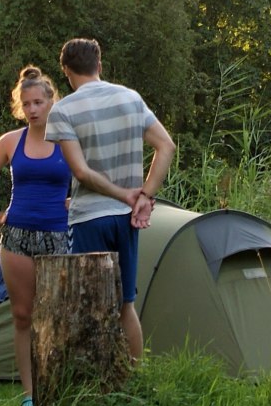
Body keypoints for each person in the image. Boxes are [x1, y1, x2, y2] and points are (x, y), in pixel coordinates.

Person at [44, 38, 176, 361]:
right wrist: (144, 196)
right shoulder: (130, 98)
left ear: (66, 71)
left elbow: (81, 172)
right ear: (99, 65)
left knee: (87, 306)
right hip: (125, 219)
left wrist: (124, 194)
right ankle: (135, 379)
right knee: (125, 305)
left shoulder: (63, 110)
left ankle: (92, 385)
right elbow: (167, 146)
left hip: (89, 217)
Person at [0, 66, 70, 406]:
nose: (33, 109)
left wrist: (78, 200)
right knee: (22, 315)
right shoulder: (12, 141)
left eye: (39, 102)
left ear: (52, 100)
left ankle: (57, 385)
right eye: (26, 104)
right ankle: (29, 394)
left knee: (56, 316)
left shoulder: (70, 139)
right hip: (17, 236)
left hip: (58, 235)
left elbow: (91, 177)